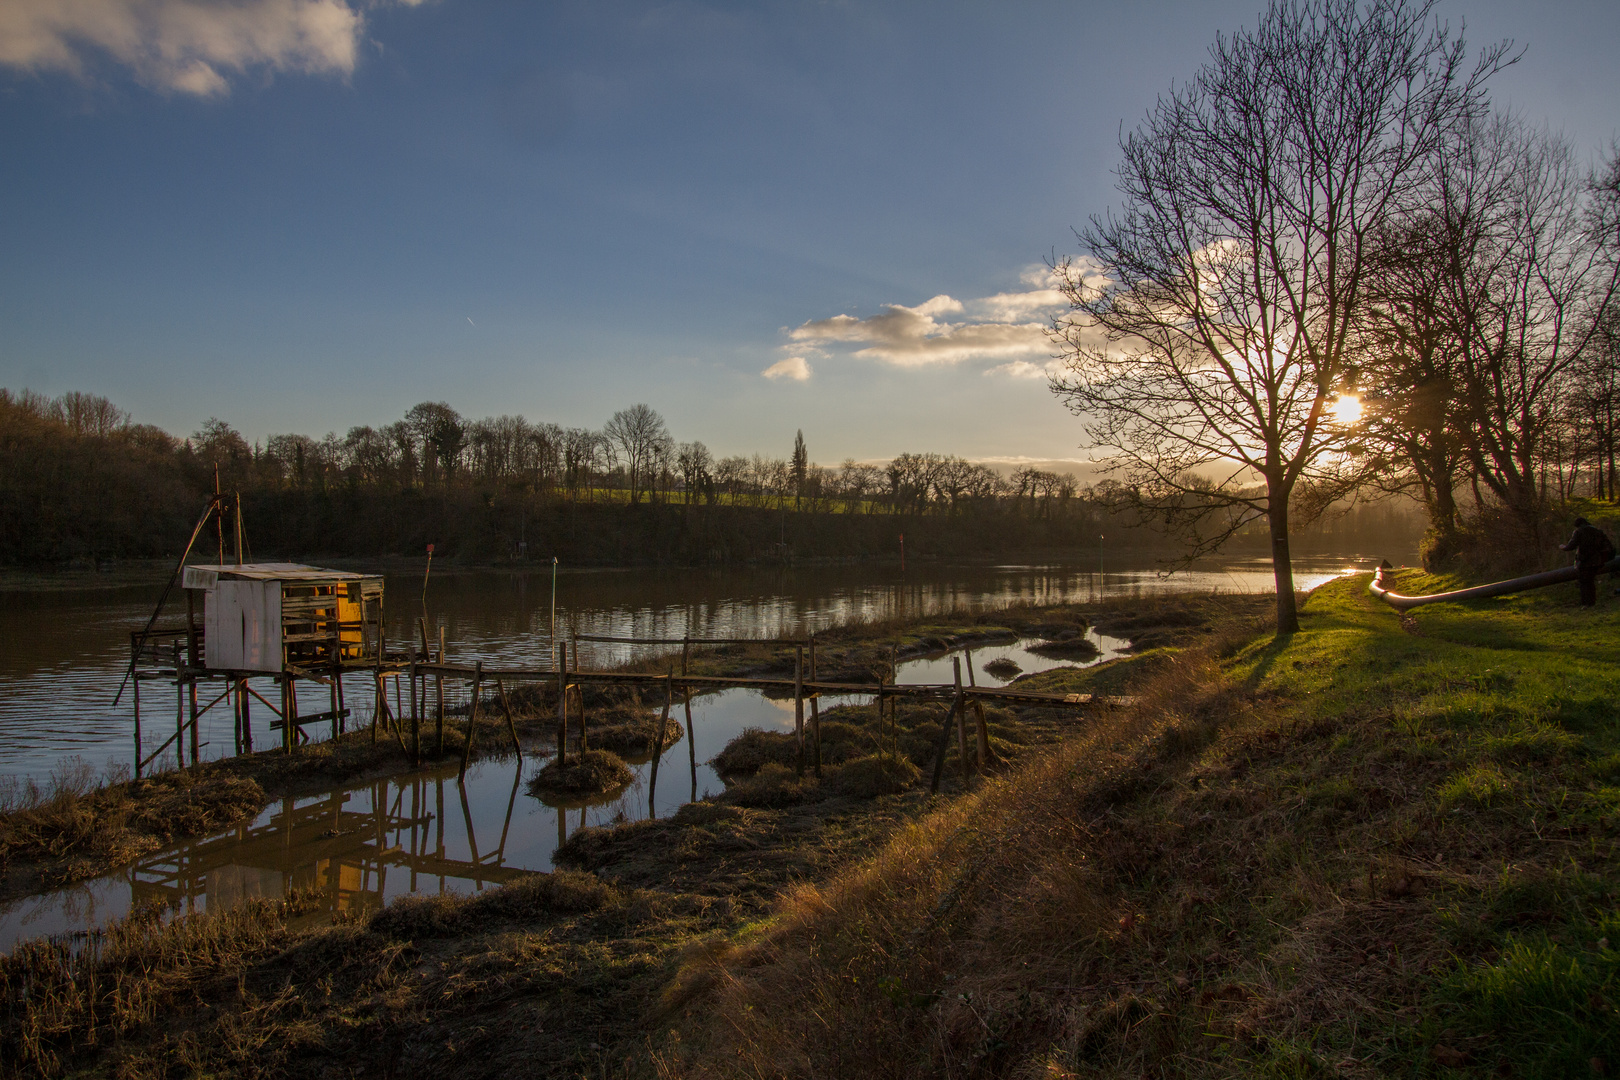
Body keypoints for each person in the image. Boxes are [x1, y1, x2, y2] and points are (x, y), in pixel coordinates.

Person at [1560, 517, 1616, 607]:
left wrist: (1562, 547)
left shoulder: (1578, 532)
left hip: (1584, 561)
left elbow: (1571, 546)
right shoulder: (1596, 531)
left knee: (1584, 582)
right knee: (1591, 582)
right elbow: (1606, 545)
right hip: (1597, 561)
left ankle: (1586, 603)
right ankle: (1592, 602)